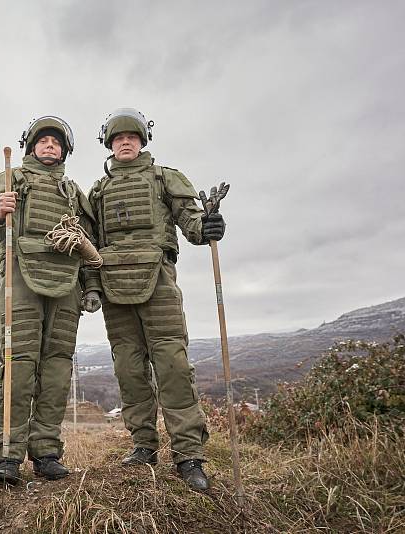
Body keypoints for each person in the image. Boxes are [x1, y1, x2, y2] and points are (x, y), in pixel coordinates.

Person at [88, 108, 226, 491]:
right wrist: (91, 286)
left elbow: (191, 221)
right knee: (129, 369)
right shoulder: (98, 191)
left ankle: (189, 454)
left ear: (142, 141)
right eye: (118, 138)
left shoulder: (165, 177)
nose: (125, 142)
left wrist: (206, 226)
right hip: (114, 284)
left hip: (159, 280)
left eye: (132, 137)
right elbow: (86, 242)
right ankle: (143, 446)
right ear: (110, 144)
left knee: (173, 366)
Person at [0, 116, 102, 484]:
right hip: (21, 281)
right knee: (18, 365)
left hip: (66, 286)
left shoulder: (74, 194)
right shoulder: (12, 181)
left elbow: (88, 246)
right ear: (31, 146)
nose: (50, 146)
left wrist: (91, 287)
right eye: (43, 141)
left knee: (58, 369)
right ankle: (7, 453)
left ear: (65, 150)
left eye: (56, 143)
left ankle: (46, 451)